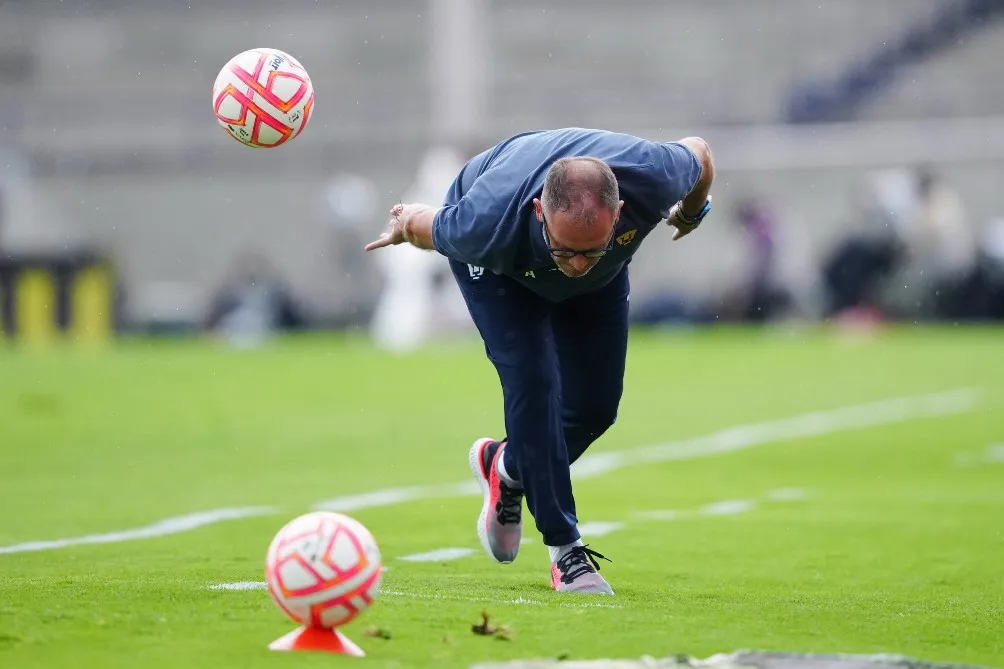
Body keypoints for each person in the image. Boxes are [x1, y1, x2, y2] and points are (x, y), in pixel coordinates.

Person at [364, 128, 715, 594]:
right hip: (501, 271)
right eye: (565, 249)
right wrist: (405, 221)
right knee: (535, 381)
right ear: (539, 213)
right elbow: (423, 224)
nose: (575, 264)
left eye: (590, 248)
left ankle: (506, 464)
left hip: (604, 281)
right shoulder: (482, 224)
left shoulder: (655, 174)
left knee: (596, 407)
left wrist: (692, 210)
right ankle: (565, 552)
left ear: (621, 214)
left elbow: (701, 153)